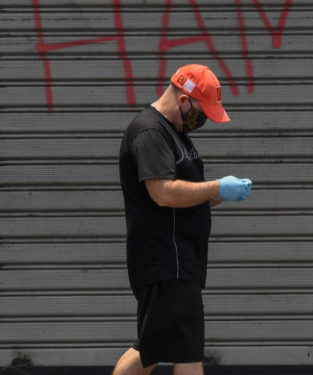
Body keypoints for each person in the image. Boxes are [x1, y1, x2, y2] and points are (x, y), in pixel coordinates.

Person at [113, 64, 252, 375]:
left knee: (155, 349)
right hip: (166, 261)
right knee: (177, 350)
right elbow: (163, 192)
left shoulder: (175, 133)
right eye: (203, 112)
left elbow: (185, 194)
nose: (203, 120)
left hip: (178, 262)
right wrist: (217, 187)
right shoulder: (151, 132)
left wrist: (220, 194)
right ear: (184, 99)